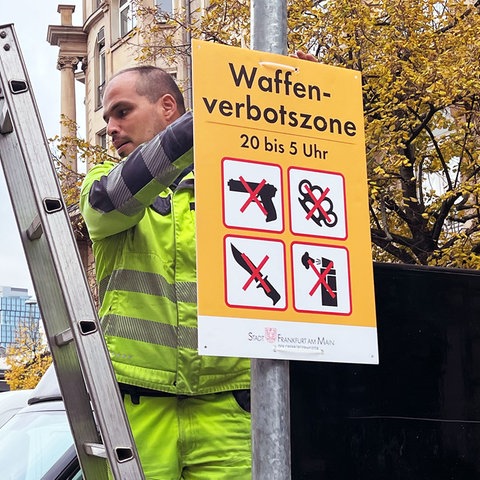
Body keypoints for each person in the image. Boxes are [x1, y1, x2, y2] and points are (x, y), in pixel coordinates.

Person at [80, 66, 252, 479]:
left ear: (168, 107)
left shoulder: (235, 183)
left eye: (121, 112)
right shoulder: (102, 183)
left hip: (227, 402)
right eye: (106, 119)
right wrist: (219, 113)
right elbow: (113, 201)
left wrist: (296, 96)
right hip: (137, 406)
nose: (111, 128)